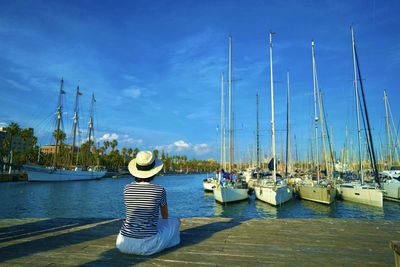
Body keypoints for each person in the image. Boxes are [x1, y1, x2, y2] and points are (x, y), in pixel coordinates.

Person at [116, 150, 180, 255]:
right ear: (154, 171)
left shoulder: (127, 188)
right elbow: (165, 216)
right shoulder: (159, 190)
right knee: (175, 222)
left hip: (123, 243)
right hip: (148, 244)